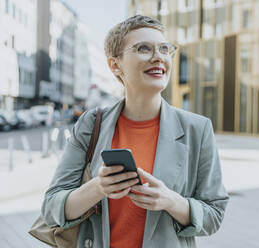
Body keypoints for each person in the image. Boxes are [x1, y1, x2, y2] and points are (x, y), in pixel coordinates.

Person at [41, 15, 229, 248]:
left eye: (164, 48)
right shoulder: (91, 124)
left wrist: (171, 201)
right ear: (115, 65)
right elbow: (51, 208)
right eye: (143, 48)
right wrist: (98, 187)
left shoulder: (198, 129)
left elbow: (214, 215)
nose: (158, 57)